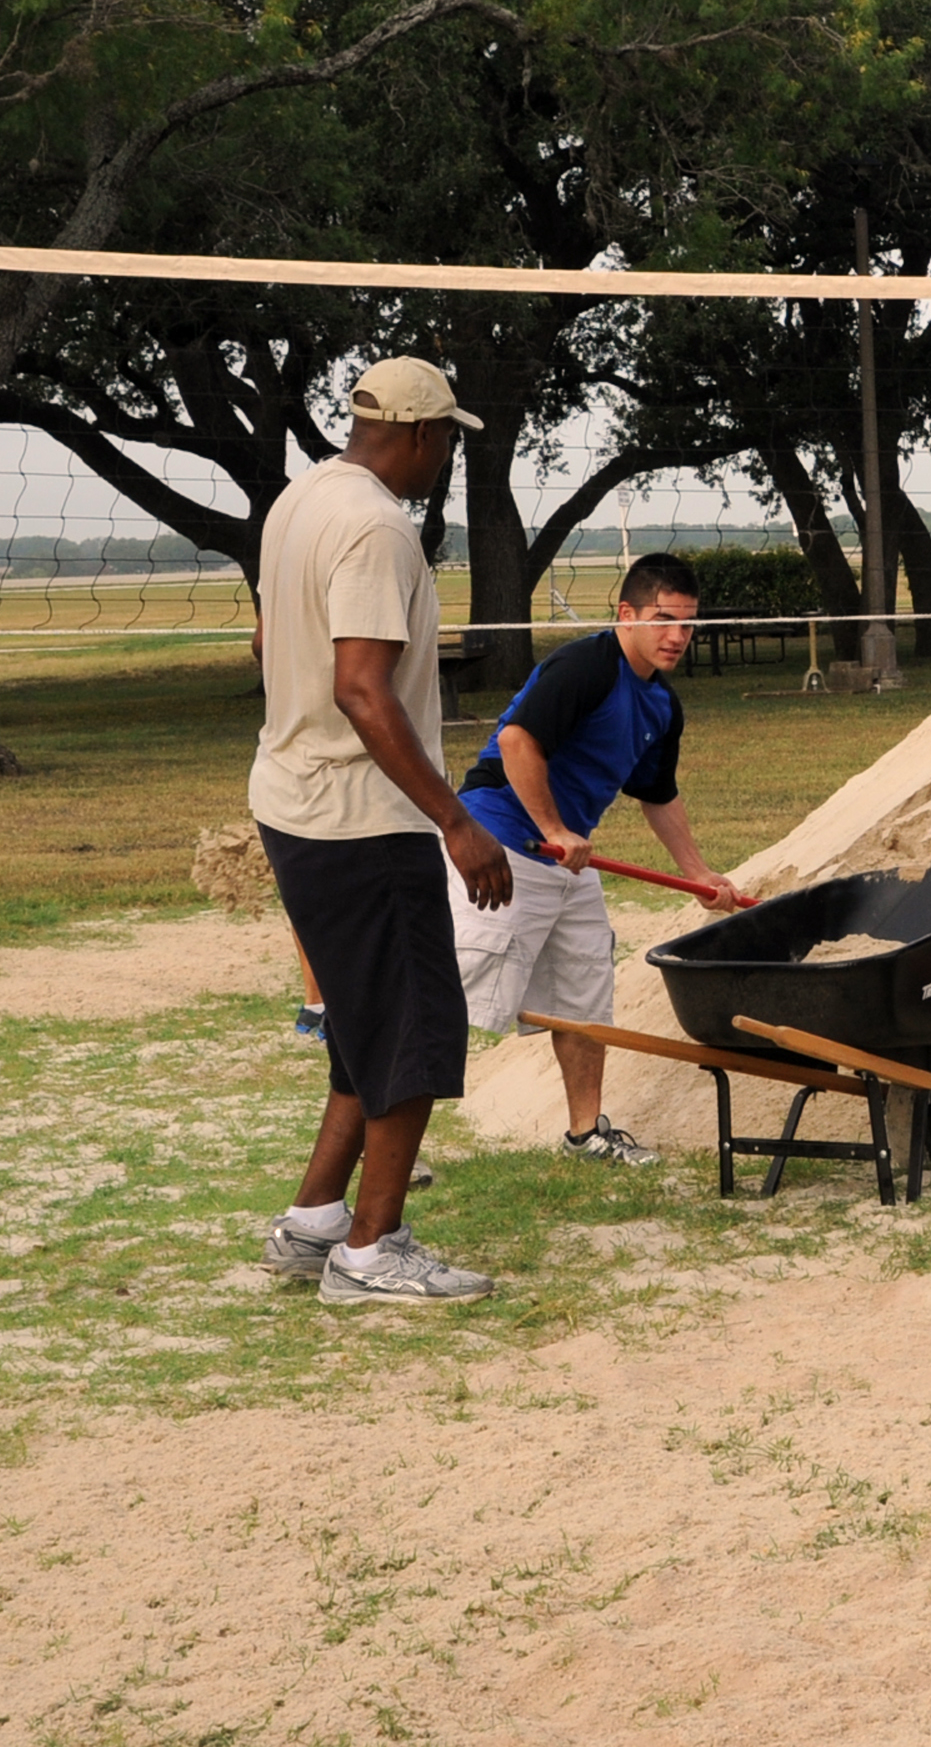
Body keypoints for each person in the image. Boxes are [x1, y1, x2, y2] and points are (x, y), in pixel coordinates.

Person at [250, 357, 514, 1304]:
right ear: (413, 434)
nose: (446, 455)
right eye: (445, 437)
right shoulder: (376, 527)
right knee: (413, 1027)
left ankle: (318, 1218)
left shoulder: (302, 498)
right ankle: (373, 1251)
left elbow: (266, 641)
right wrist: (457, 821)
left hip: (290, 798)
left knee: (363, 1023)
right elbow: (360, 687)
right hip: (361, 819)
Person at [451, 550, 742, 1162]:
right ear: (627, 613)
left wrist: (696, 873)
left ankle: (586, 1134)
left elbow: (657, 793)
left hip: (566, 859)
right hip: (504, 843)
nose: (677, 636)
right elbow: (515, 740)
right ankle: (383, 1131)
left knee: (584, 997)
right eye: (663, 619)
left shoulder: (662, 703)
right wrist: (554, 826)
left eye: (688, 623)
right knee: (454, 993)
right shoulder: (585, 665)